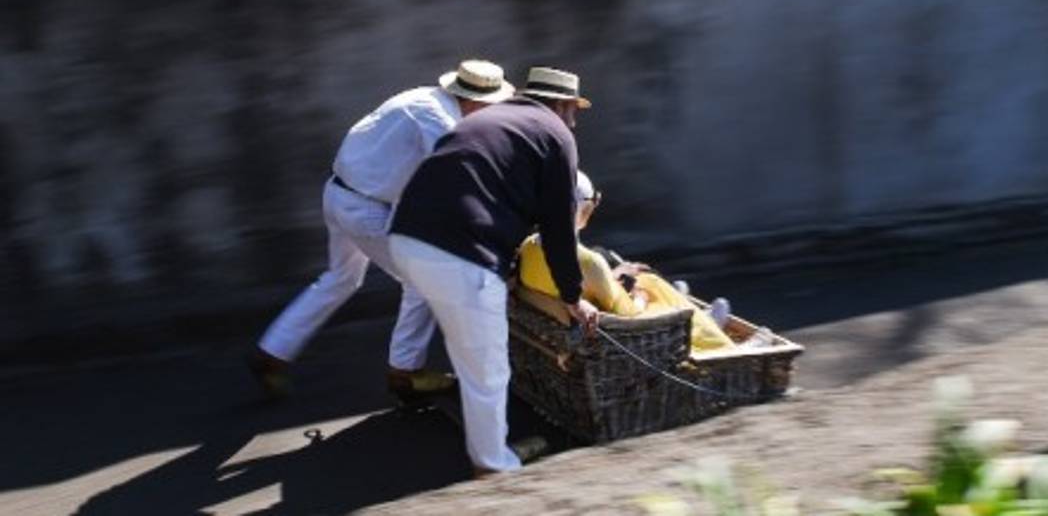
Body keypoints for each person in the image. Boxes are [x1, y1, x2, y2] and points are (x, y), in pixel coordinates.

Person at [249, 59, 515, 399]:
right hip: (366, 208)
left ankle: (271, 352)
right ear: (475, 102)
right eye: (491, 107)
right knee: (424, 279)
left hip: (339, 192)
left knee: (340, 278)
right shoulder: (440, 122)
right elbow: (458, 179)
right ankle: (406, 372)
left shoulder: (424, 98)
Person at [387, 66, 598, 475]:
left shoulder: (488, 118)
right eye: (574, 110)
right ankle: (494, 464)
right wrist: (572, 296)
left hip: (406, 238)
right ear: (563, 106)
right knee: (488, 367)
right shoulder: (557, 135)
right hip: (459, 253)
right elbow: (558, 227)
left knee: (469, 352)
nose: (574, 120)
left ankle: (483, 444)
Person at [517, 171, 737, 355]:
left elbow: (573, 286)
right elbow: (628, 316)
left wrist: (611, 276)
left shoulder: (528, 246)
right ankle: (711, 335)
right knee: (650, 284)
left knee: (642, 280)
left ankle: (696, 315)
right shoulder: (589, 263)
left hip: (564, 323)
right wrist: (640, 298)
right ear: (584, 212)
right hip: (620, 337)